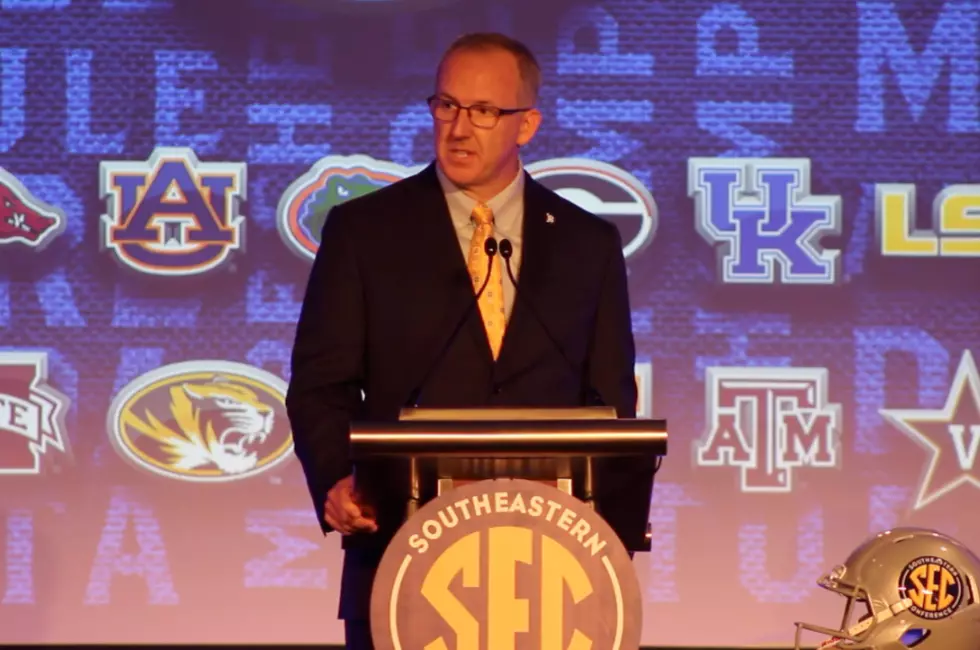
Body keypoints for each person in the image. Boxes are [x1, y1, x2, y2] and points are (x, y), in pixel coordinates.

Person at [285, 32, 638, 650]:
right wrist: (338, 479)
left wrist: (604, 526)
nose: (458, 128)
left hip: (554, 576)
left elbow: (611, 398)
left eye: (483, 112)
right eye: (446, 106)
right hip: (401, 560)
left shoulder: (589, 245)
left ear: (526, 124)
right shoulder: (365, 232)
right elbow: (320, 385)